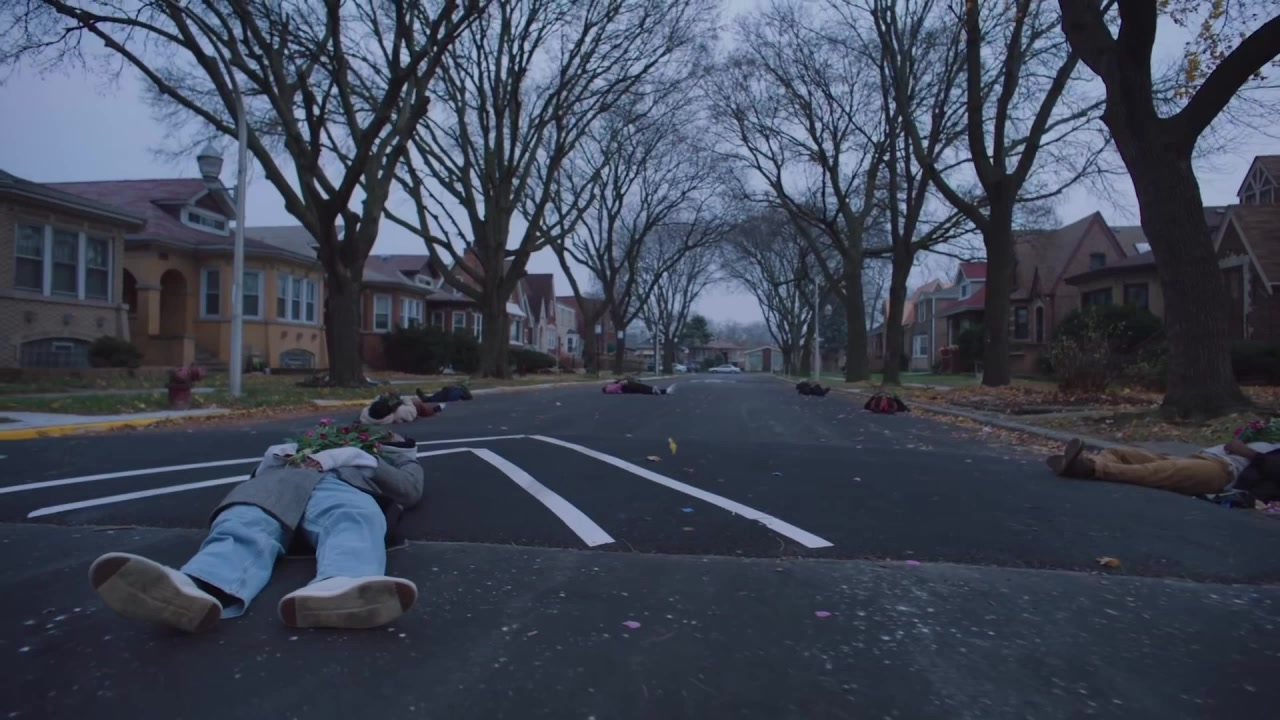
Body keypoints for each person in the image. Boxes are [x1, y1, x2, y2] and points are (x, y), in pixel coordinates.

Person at [87, 426, 425, 633]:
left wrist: (358, 457)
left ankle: (344, 583)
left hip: (341, 488)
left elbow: (410, 491)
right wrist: (271, 461)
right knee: (244, 522)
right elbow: (258, 477)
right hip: (280, 484)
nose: (382, 433)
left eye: (390, 436)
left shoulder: (392, 459)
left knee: (353, 518)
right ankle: (198, 587)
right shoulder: (311, 445)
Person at [1047, 436, 1280, 503]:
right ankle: (1084, 462)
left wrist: (1247, 452)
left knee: (1157, 471)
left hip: (1222, 472)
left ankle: (1089, 468)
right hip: (1198, 456)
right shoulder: (1270, 438)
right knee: (1123, 453)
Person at [359, 392, 444, 425]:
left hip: (390, 411)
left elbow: (374, 403)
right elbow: (413, 412)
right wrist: (404, 399)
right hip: (410, 409)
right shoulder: (398, 413)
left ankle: (428, 403)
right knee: (418, 404)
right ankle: (433, 410)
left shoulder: (365, 414)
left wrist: (383, 396)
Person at [602, 378, 676, 395]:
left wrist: (620, 381)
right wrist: (621, 383)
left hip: (625, 387)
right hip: (624, 388)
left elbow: (616, 383)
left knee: (641, 388)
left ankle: (665, 391)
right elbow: (616, 388)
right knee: (640, 388)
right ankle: (664, 391)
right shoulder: (608, 389)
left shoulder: (609, 386)